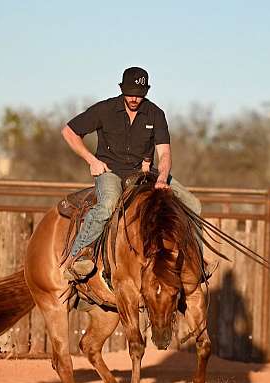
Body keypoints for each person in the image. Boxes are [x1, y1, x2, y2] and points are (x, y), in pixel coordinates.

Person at [61, 66, 202, 280]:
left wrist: (162, 178)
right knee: (108, 204)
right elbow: (69, 132)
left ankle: (195, 263)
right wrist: (92, 160)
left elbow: (164, 152)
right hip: (110, 171)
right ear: (121, 89)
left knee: (193, 204)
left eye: (139, 94)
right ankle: (79, 255)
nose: (135, 98)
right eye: (130, 93)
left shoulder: (155, 114)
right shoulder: (104, 110)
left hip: (144, 172)